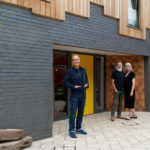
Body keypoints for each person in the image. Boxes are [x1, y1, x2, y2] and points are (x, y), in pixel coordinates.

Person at [63, 55, 88, 138]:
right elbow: (65, 83)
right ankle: (71, 130)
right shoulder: (69, 71)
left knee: (80, 113)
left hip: (83, 95)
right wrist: (73, 86)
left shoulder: (83, 69)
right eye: (74, 60)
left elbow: (86, 80)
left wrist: (87, 84)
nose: (76, 61)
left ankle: (79, 128)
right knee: (73, 114)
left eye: (77, 59)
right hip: (74, 96)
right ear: (72, 62)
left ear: (79, 60)